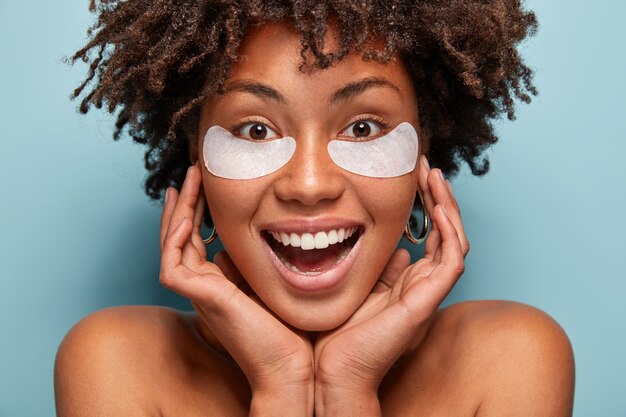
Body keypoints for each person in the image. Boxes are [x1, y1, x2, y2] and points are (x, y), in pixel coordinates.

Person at [54, 1, 575, 415]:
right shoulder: (113, 362)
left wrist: (348, 388)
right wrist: (281, 386)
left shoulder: (514, 358)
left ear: (423, 153)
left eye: (363, 128)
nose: (308, 185)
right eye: (255, 130)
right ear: (196, 157)